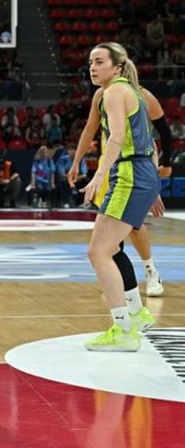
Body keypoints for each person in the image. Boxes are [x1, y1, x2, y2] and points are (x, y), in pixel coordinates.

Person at [73, 42, 161, 351]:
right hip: (140, 173)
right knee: (106, 249)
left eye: (99, 61)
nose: (92, 67)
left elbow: (118, 138)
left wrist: (99, 175)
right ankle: (135, 314)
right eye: (90, 62)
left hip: (129, 175)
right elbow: (147, 138)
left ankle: (123, 330)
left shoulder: (113, 92)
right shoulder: (130, 92)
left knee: (100, 252)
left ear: (117, 67)